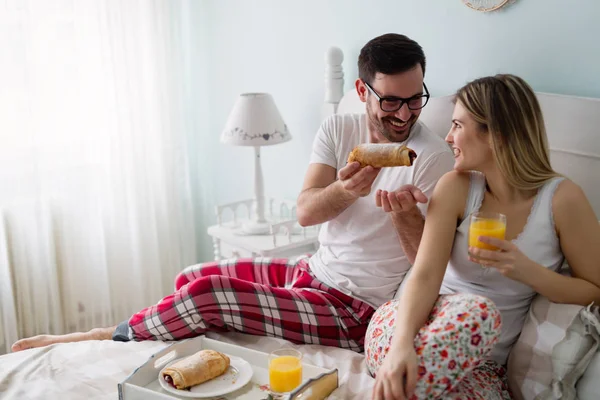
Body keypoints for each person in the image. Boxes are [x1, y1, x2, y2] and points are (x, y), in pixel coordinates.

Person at [11, 33, 453, 354]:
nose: (406, 114)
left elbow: (431, 266)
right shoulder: (339, 127)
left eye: (416, 99)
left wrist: (405, 220)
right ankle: (199, 347)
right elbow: (305, 212)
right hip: (310, 271)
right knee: (190, 276)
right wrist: (343, 190)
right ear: (362, 90)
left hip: (354, 308)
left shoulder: (433, 158)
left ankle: (99, 337)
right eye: (392, 101)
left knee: (206, 295)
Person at [366, 74, 600, 400]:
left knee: (480, 324)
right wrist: (402, 347)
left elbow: (595, 289)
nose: (448, 137)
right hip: (401, 329)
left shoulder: (563, 200)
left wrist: (526, 270)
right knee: (480, 311)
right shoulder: (456, 187)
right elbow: (425, 273)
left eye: (458, 126)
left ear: (496, 135)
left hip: (484, 365)